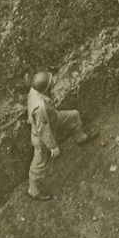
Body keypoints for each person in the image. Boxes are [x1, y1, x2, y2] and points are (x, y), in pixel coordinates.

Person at [26, 70, 90, 202]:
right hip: (42, 137)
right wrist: (53, 147)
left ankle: (80, 138)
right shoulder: (40, 108)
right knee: (39, 164)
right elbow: (44, 130)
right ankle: (33, 190)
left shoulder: (34, 90)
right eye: (50, 84)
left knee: (74, 116)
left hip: (53, 119)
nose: (53, 83)